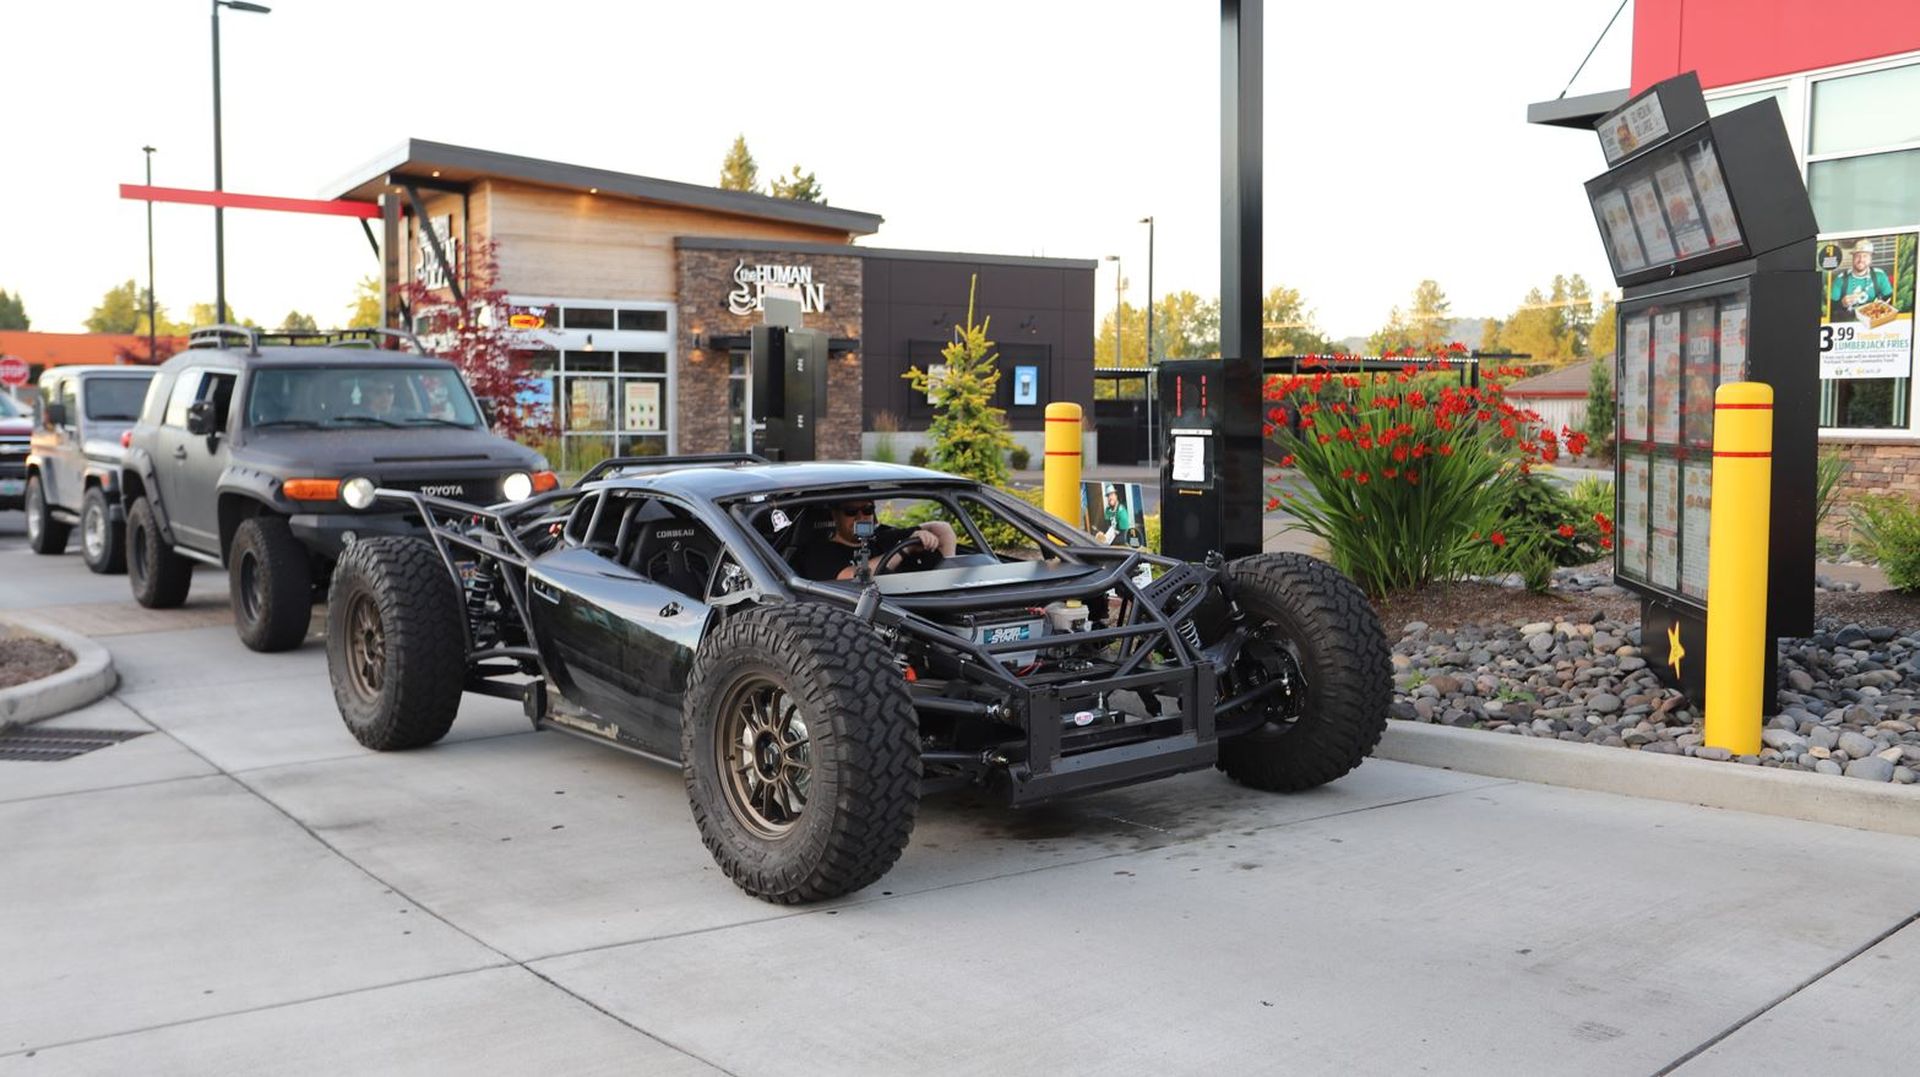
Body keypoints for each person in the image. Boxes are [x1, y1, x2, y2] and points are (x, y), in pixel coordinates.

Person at [794, 499, 957, 581]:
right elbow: (852, 577)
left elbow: (941, 529)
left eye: (867, 509)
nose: (861, 517)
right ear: (834, 515)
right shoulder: (818, 552)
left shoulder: (883, 538)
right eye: (851, 511)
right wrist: (903, 550)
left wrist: (947, 575)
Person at [1832, 238, 1894, 317]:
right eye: (1858, 255)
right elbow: (1830, 307)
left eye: (1865, 256)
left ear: (1870, 259)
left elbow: (1890, 298)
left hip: (1874, 320)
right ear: (1853, 257)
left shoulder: (1879, 275)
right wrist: (1842, 304)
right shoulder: (1840, 279)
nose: (1861, 259)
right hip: (1848, 321)